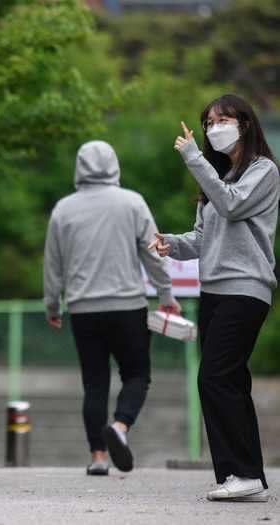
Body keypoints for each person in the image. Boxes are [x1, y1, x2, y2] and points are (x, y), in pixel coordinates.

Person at [150, 94, 278, 503]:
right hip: (215, 291)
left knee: (215, 377)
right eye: (207, 122)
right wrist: (172, 243)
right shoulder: (216, 178)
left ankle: (241, 472)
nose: (213, 128)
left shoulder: (263, 171)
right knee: (231, 381)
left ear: (244, 122)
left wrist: (192, 157)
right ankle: (244, 475)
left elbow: (233, 204)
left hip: (246, 288)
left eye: (222, 119)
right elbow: (205, 238)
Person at [43, 140, 180, 476]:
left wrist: (52, 303)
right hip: (127, 306)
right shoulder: (132, 203)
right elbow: (153, 252)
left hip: (83, 309)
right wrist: (166, 295)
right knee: (137, 375)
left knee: (94, 384)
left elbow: (53, 262)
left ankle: (99, 457)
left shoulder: (64, 208)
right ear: (114, 165)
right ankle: (120, 427)